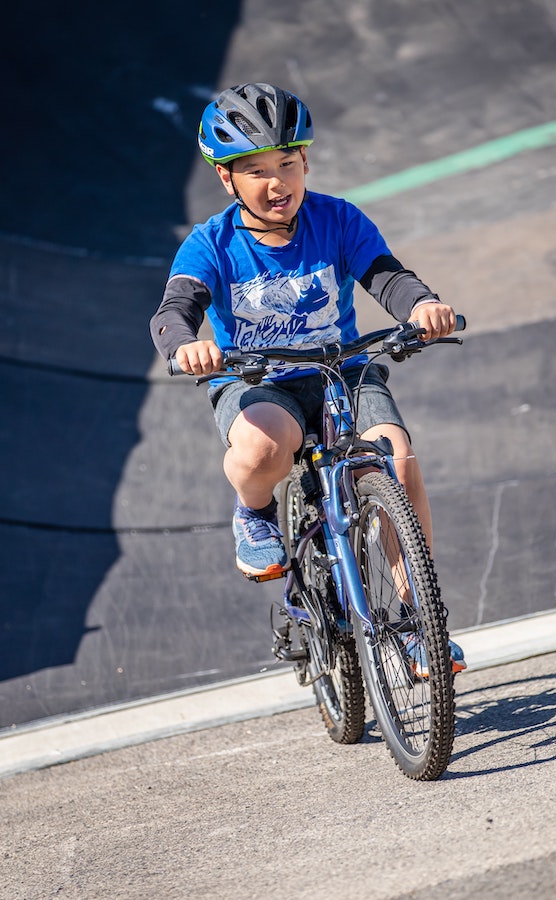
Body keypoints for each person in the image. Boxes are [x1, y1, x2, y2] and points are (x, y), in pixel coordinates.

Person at [150, 82, 466, 673]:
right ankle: (256, 511)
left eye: (288, 165)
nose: (278, 184)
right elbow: (174, 311)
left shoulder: (337, 219)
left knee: (395, 456)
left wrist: (422, 306)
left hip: (339, 371)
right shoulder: (211, 244)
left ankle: (418, 618)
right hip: (259, 380)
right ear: (227, 179)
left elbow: (388, 277)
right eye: (256, 171)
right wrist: (188, 345)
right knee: (265, 444)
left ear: (306, 162)